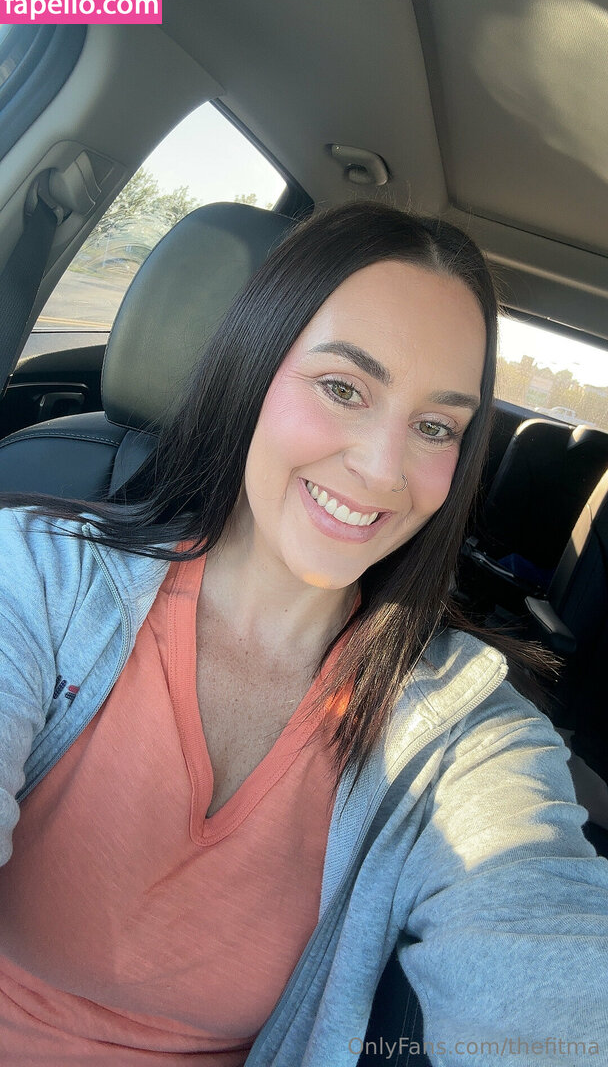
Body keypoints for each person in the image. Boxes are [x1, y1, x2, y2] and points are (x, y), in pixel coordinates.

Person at [0, 200, 606, 1066]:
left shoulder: (461, 737)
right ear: (254, 369)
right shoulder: (37, 574)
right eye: (342, 388)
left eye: (434, 427)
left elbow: (543, 954)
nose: (383, 470)